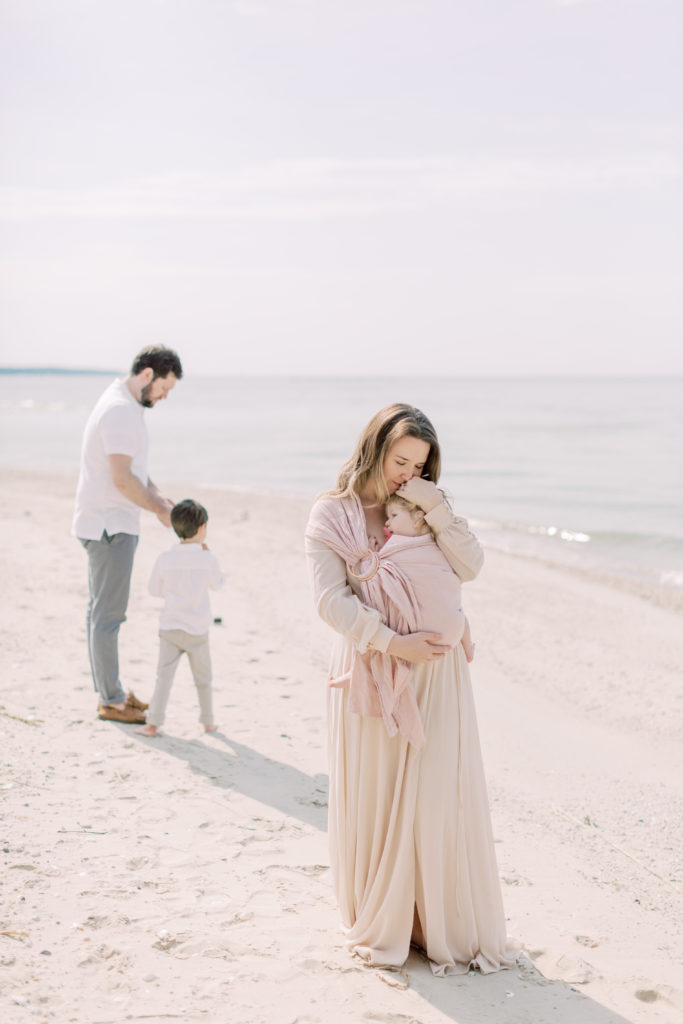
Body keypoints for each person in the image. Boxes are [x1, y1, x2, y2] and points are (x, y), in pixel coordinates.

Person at [305, 403, 514, 976]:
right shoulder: (332, 514)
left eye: (419, 466)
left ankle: (431, 917)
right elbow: (330, 602)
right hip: (375, 666)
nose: (407, 475)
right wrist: (396, 646)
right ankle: (390, 914)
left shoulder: (424, 507)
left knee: (434, 792)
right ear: (375, 450)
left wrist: (438, 506)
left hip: (439, 673)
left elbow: (469, 567)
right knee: (379, 790)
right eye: (400, 461)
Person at [72, 345, 183, 723]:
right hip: (109, 526)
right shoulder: (120, 410)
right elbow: (121, 478)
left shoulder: (123, 404)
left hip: (106, 521)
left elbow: (133, 470)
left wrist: (155, 495)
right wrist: (160, 511)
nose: (165, 396)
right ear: (148, 374)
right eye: (165, 387)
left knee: (100, 614)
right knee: (108, 616)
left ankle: (110, 692)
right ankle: (111, 700)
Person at [137, 499, 225, 738]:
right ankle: (208, 723)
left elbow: (154, 590)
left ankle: (153, 724)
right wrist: (210, 556)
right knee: (203, 679)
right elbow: (218, 583)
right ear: (202, 528)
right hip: (197, 630)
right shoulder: (207, 558)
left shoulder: (165, 558)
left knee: (163, 678)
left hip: (170, 627)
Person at [383, 492, 475, 663]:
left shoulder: (396, 545)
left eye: (393, 515)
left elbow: (377, 568)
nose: (387, 522)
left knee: (382, 617)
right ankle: (468, 647)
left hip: (420, 634)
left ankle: (357, 672)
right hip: (454, 632)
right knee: (455, 607)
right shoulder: (439, 545)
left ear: (418, 518)